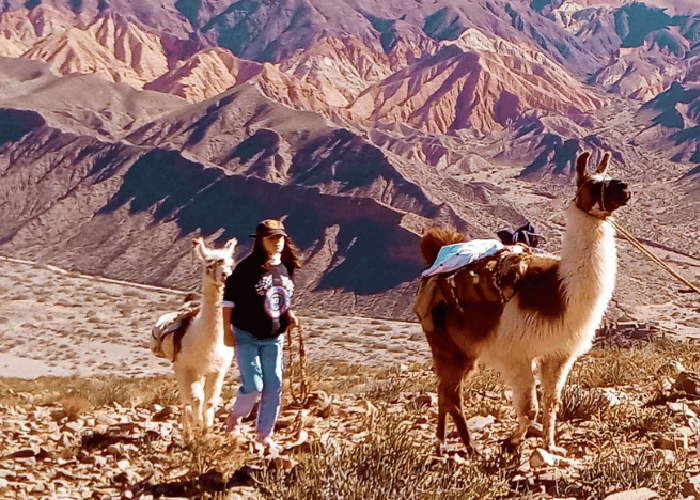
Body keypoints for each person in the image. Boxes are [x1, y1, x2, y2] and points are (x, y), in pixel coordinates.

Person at [221, 218, 302, 451]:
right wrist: (227, 330)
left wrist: (290, 314)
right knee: (254, 383)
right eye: (272, 238)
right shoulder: (246, 268)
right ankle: (236, 417)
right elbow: (228, 301)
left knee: (274, 384)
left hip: (274, 336)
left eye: (280, 238)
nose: (277, 242)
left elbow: (281, 295)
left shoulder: (287, 266)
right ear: (260, 241)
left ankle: (264, 434)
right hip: (246, 334)